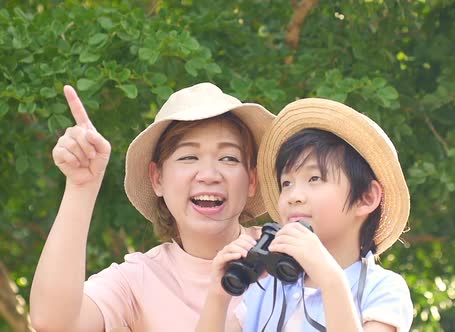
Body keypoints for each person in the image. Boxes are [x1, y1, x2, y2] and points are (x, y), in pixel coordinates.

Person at [30, 82, 275, 331]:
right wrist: (81, 186)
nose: (209, 174)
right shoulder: (139, 280)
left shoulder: (286, 251)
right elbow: (54, 322)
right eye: (188, 157)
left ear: (252, 180)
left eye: (229, 158)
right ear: (157, 178)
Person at [197, 97, 413, 332]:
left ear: (366, 198)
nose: (293, 196)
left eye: (314, 179)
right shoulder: (268, 285)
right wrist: (218, 295)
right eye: (286, 183)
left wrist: (330, 280)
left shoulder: (382, 289)